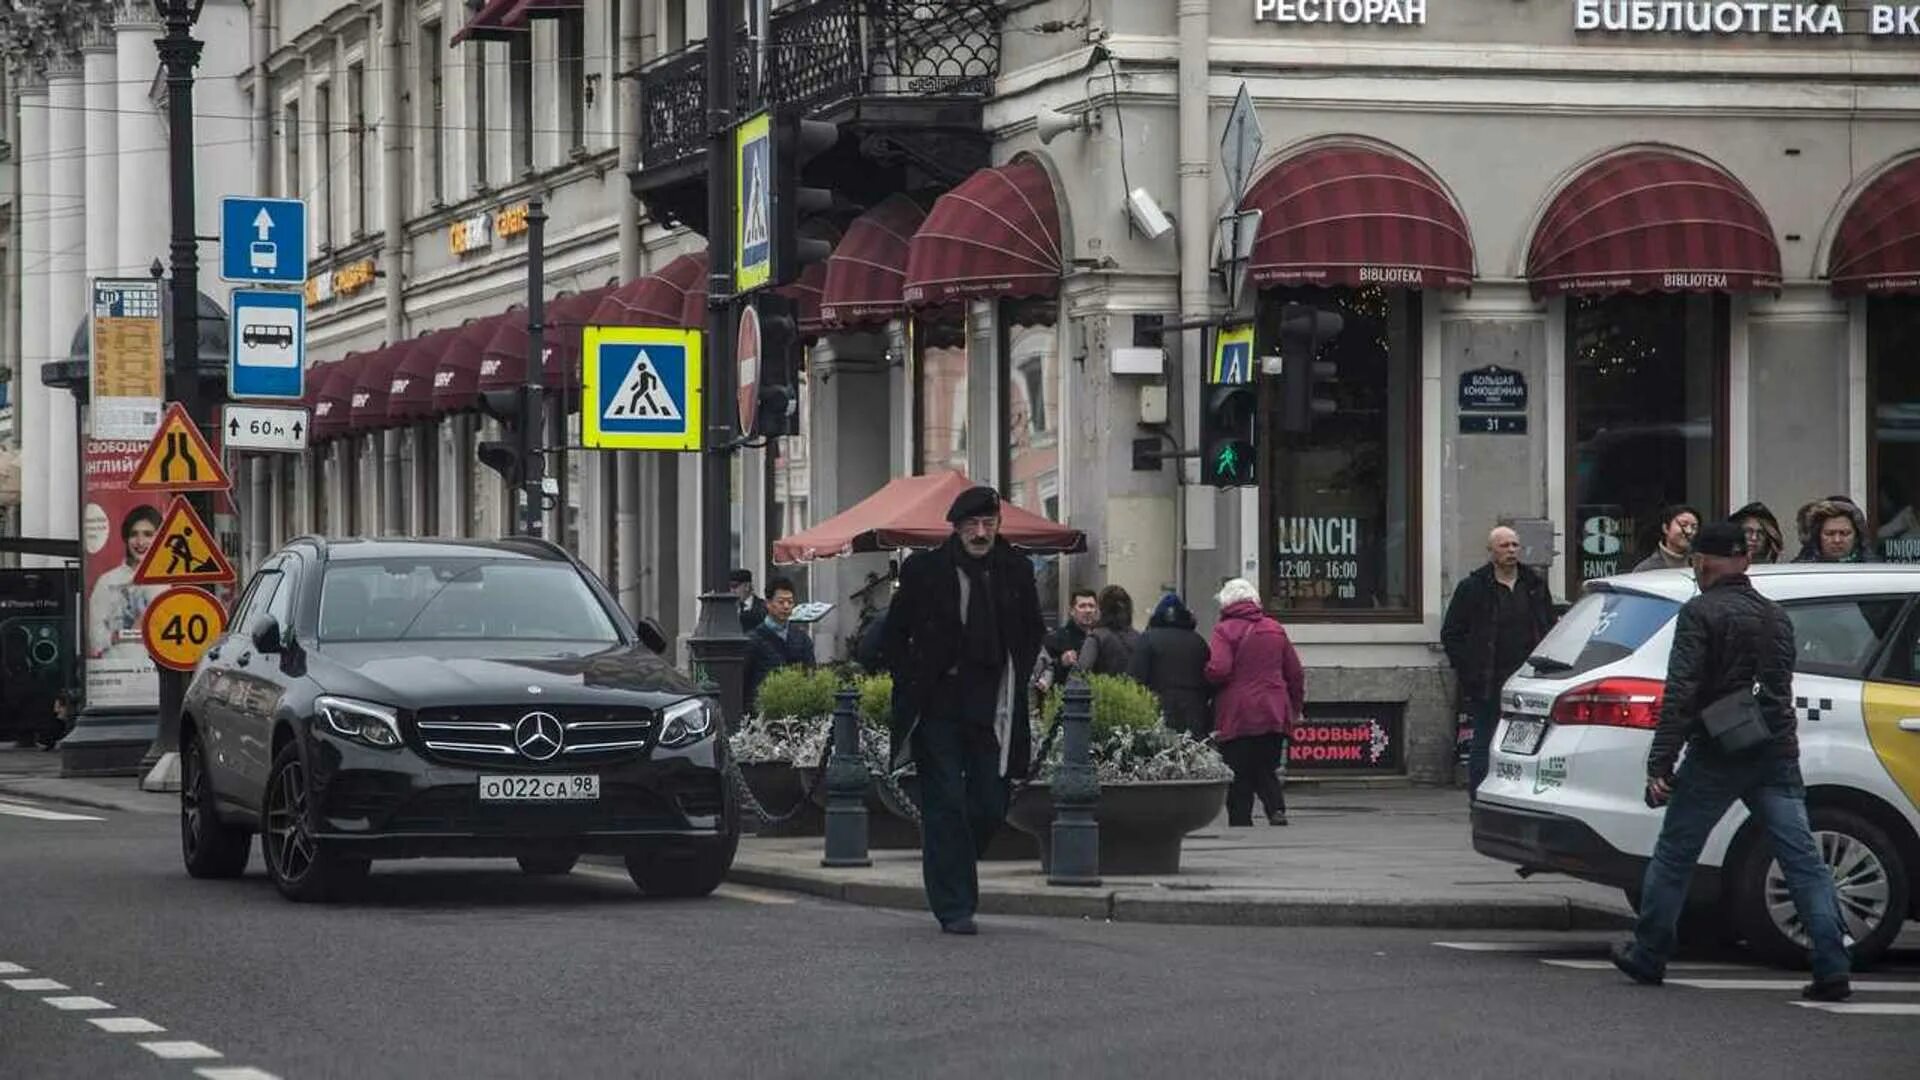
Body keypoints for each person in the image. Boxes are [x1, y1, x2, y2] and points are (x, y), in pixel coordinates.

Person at [1610, 523, 1853, 1001]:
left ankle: (1649, 951)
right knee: (1802, 859)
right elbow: (1778, 690)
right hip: (1775, 751)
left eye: (1700, 563)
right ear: (1744, 561)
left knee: (1677, 851)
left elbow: (1682, 691)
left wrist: (1660, 763)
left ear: (1702, 562)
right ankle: (1832, 963)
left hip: (1718, 751)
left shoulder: (1701, 613)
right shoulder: (1776, 616)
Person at [883, 485, 1044, 935]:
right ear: (955, 527)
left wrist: (1019, 671)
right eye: (972, 525)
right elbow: (894, 632)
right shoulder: (925, 570)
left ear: (997, 526)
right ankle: (954, 906)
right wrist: (908, 676)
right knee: (946, 804)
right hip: (938, 701)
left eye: (988, 524)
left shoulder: (1014, 570)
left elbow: (1032, 629)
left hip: (992, 702)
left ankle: (951, 863)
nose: (980, 532)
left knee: (991, 803)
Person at [1441, 526, 1556, 796]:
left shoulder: (1534, 585)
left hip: (1529, 680)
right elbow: (1451, 634)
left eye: (1515, 545)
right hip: (1488, 680)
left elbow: (1549, 627)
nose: (1511, 551)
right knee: (1485, 740)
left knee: (1528, 742)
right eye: (1504, 546)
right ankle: (1479, 797)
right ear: (1491, 551)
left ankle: (1520, 795)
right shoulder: (1473, 587)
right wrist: (1468, 668)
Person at [1205, 578, 1305, 826]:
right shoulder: (1274, 628)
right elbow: (1295, 673)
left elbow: (1219, 669)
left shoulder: (1224, 630)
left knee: (1238, 771)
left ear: (1226, 602)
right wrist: (1295, 708)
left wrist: (1204, 674)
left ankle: (1241, 819)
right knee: (1266, 765)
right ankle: (1276, 809)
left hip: (1238, 712)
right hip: (1273, 710)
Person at [1128, 592, 1213, 737]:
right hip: (1195, 713)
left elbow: (1135, 679)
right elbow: (1210, 680)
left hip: (1158, 711)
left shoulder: (1147, 639)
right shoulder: (1199, 642)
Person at [87, 504, 163, 658]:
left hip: (156, 674)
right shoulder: (107, 581)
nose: (140, 542)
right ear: (126, 538)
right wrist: (122, 636)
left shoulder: (166, 581)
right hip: (117, 672)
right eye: (134, 534)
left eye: (148, 534)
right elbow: (94, 637)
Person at [743, 577, 815, 708]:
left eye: (790, 602)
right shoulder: (753, 640)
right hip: (762, 711)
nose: (786, 606)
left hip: (796, 709)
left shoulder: (802, 638)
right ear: (768, 604)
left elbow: (810, 675)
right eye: (781, 602)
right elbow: (744, 680)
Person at [1073, 585, 1139, 676]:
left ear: (1102, 609)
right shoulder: (1138, 637)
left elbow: (1081, 673)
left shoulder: (1096, 637)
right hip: (1132, 689)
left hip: (1102, 689)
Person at [1038, 588, 1098, 688]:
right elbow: (1041, 677)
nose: (1088, 610)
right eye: (1082, 606)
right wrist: (1061, 662)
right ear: (1072, 611)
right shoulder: (1055, 638)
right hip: (1064, 698)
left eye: (1091, 606)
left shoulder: (1100, 638)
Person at [1794, 498, 1872, 563]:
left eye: (1845, 533)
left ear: (1857, 536)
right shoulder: (1799, 570)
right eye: (1829, 533)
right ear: (1817, 536)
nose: (1837, 540)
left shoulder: (1874, 569)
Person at [1633, 504, 1699, 571]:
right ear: (1666, 528)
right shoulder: (1646, 569)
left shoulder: (1700, 565)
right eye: (1683, 525)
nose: (1689, 531)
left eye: (1694, 527)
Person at [731, 568, 768, 633]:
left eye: (735, 586)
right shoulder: (729, 608)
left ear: (747, 586)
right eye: (730, 587)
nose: (732, 591)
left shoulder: (763, 607)